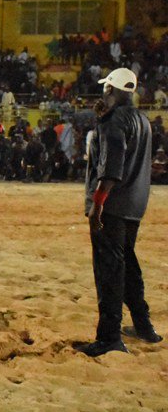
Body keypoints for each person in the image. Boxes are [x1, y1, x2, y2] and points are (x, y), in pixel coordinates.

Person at [76, 68, 162, 357]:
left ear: (110, 90)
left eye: (105, 89)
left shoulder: (113, 122)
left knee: (109, 271)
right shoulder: (143, 120)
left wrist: (98, 204)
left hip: (111, 205)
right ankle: (143, 325)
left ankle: (110, 337)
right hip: (135, 205)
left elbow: (111, 168)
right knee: (127, 264)